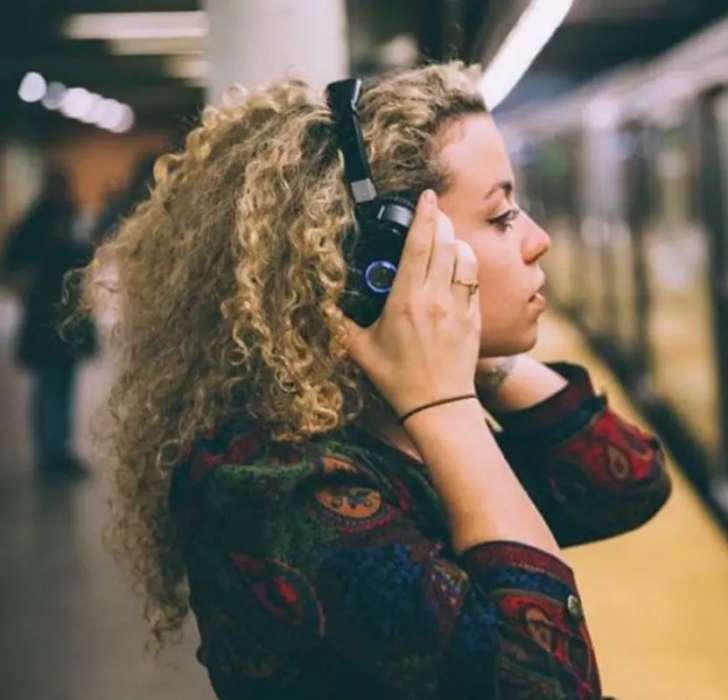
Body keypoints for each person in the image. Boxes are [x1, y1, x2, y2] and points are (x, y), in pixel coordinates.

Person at [69, 62, 670, 699]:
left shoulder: (386, 418)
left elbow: (624, 481)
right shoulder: (272, 487)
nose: (538, 240)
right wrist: (445, 403)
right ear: (379, 260)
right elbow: (550, 683)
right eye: (501, 216)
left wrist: (468, 355)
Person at [1, 165, 96, 478]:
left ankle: (59, 451)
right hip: (45, 317)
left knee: (62, 384)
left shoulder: (71, 219)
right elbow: (12, 264)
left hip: (68, 314)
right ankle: (51, 453)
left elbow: (85, 258)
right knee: (49, 386)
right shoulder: (36, 223)